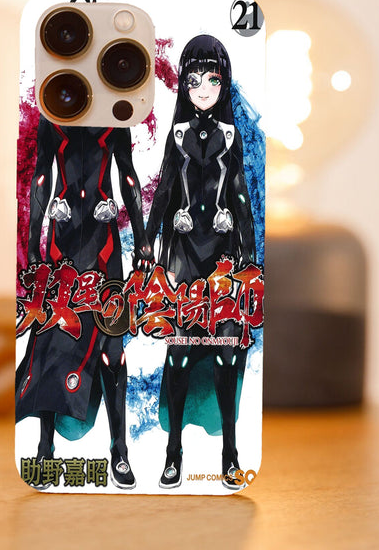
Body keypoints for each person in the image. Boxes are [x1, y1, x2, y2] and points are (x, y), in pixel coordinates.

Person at [16, 118, 153, 489]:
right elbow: (42, 176)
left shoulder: (115, 115)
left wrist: (142, 237)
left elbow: (127, 174)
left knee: (112, 346)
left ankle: (119, 450)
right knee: (50, 339)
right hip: (61, 239)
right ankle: (45, 448)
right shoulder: (52, 112)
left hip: (102, 241)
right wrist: (33, 241)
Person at [146, 34, 256, 489]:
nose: (204, 89)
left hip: (223, 258)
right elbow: (164, 189)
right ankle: (173, 452)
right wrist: (150, 238)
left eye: (213, 79)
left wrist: (248, 246)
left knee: (227, 354)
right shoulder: (177, 134)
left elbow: (241, 192)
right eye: (194, 80)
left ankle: (231, 451)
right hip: (186, 256)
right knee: (179, 353)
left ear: (224, 82)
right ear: (184, 85)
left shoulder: (231, 135)